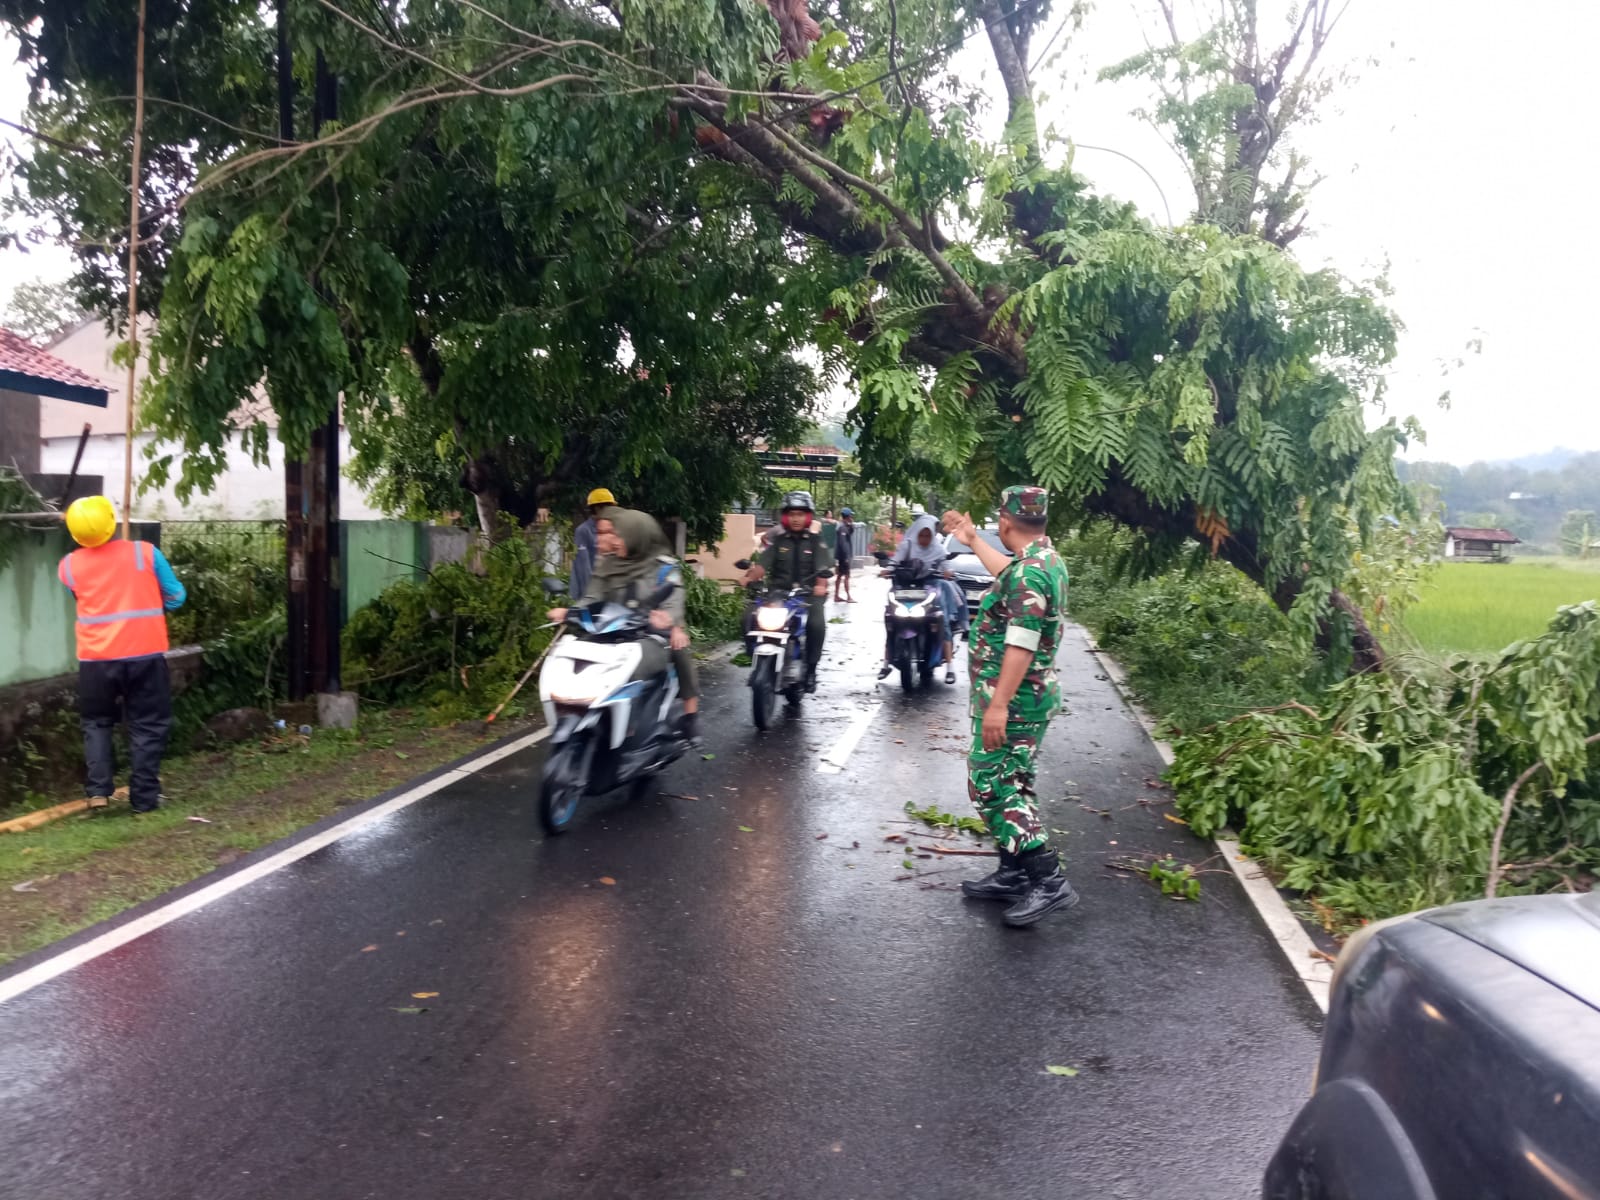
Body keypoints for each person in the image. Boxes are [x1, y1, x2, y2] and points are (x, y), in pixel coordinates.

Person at [942, 487, 1075, 927]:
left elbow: (1022, 640)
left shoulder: (1031, 573)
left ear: (1006, 519)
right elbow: (1011, 580)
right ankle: (1013, 873)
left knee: (989, 784)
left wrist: (998, 705)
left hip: (1015, 702)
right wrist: (974, 542)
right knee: (1013, 780)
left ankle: (1047, 877)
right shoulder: (1040, 562)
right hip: (1026, 699)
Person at [57, 495, 187, 813]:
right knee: (147, 724)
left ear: (75, 534)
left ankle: (98, 792)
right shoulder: (146, 554)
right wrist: (153, 603)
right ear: (112, 521)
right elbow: (176, 597)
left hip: (95, 661)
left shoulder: (68, 567)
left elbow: (86, 597)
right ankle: (143, 799)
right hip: (144, 656)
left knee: (97, 723)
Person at [548, 507, 701, 742]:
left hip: (651, 635)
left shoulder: (664, 566)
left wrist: (670, 621)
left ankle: (689, 717)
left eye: (616, 534)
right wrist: (570, 612)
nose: (609, 541)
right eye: (605, 534)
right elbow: (591, 598)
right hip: (612, 630)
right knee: (573, 655)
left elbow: (674, 599)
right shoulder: (607, 564)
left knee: (676, 649)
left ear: (635, 534)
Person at [743, 491, 831, 692]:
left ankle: (811, 669)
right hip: (778, 593)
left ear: (808, 516)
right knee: (748, 615)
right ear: (785, 516)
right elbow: (762, 566)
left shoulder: (816, 541)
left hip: (808, 595)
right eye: (792, 514)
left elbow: (821, 570)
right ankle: (754, 657)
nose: (796, 518)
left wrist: (820, 585)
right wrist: (749, 578)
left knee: (816, 623)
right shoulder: (779, 541)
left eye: (800, 514)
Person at [876, 513, 962, 685]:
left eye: (927, 535)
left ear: (932, 535)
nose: (924, 539)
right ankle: (885, 663)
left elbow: (946, 563)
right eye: (921, 535)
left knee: (942, 620)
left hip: (929, 587)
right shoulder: (907, 545)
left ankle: (950, 668)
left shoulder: (938, 548)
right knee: (890, 621)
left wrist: (948, 572)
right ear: (916, 533)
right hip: (904, 588)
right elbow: (895, 561)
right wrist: (888, 570)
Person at [570, 487, 616, 604]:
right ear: (597, 508)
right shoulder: (583, 531)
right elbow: (583, 567)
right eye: (608, 507)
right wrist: (591, 597)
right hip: (588, 595)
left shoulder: (612, 529)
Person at [833, 507, 857, 602]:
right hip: (843, 556)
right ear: (847, 516)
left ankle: (836, 596)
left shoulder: (845, 526)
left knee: (840, 575)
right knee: (846, 576)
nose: (852, 517)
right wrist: (846, 557)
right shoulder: (842, 527)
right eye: (851, 515)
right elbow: (843, 544)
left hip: (842, 556)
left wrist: (851, 525)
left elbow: (851, 532)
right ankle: (848, 597)